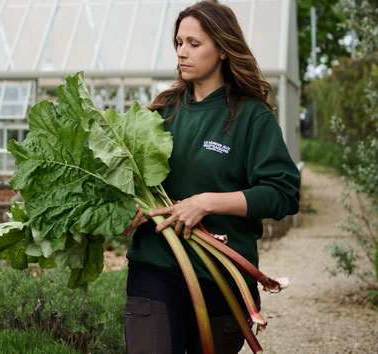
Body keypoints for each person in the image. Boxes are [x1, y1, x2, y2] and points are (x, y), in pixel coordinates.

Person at [121, 1, 300, 353]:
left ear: (222, 48)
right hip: (154, 269)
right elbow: (129, 184)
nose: (181, 53)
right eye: (178, 43)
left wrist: (205, 203)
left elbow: (283, 193)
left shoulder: (252, 117)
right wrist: (126, 212)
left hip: (220, 275)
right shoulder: (160, 111)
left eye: (193, 44)